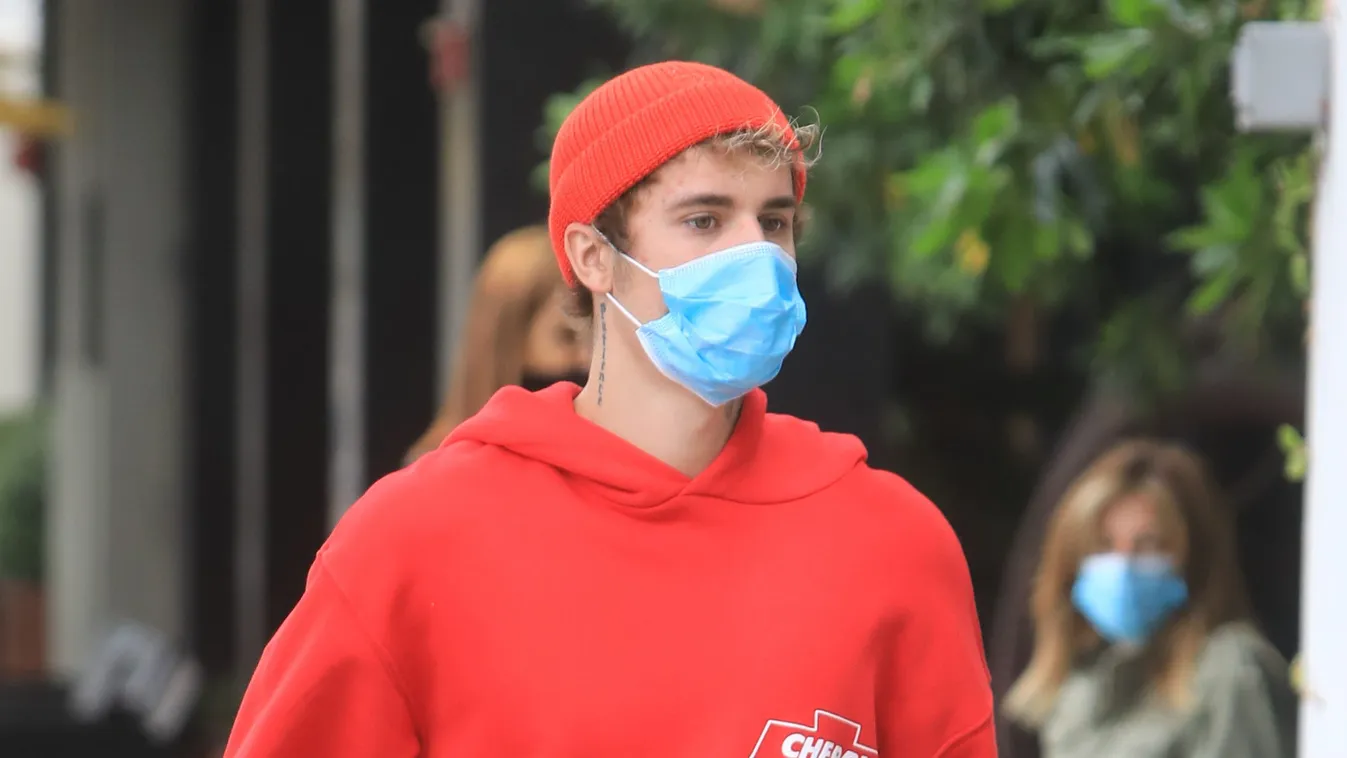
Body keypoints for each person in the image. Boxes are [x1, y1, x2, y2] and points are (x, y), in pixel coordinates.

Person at [223, 60, 995, 757]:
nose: (754, 256)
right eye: (703, 219)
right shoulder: (413, 541)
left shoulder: (892, 544)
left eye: (773, 222)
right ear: (593, 256)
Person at [1002, 439, 1296, 758]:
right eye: (1103, 546)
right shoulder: (1078, 687)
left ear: (1194, 559)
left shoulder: (1230, 670)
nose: (1123, 566)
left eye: (1149, 545)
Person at [404, 224, 590, 464]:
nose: (587, 358)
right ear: (509, 338)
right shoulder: (434, 469)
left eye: (593, 338)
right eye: (567, 337)